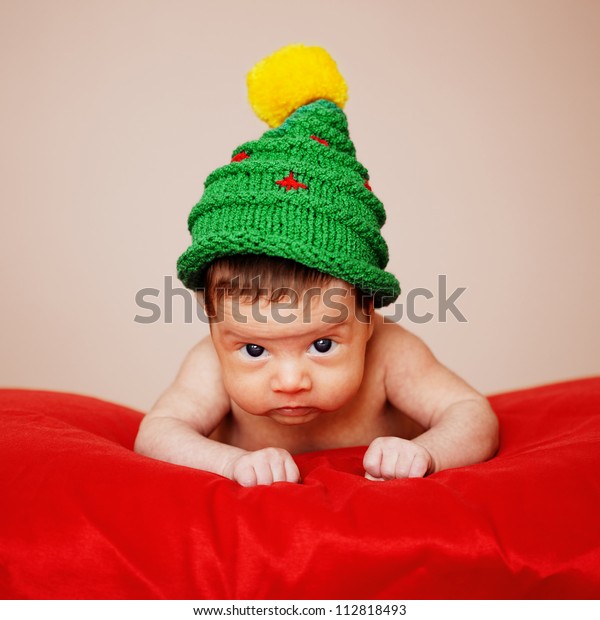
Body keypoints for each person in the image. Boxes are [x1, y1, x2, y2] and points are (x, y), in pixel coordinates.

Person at [134, 44, 499, 486]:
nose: (290, 381)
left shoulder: (390, 354)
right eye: (254, 350)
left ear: (367, 316)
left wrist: (425, 452)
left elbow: (472, 413)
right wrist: (229, 462)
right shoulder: (209, 362)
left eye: (322, 345)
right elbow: (156, 432)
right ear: (213, 325)